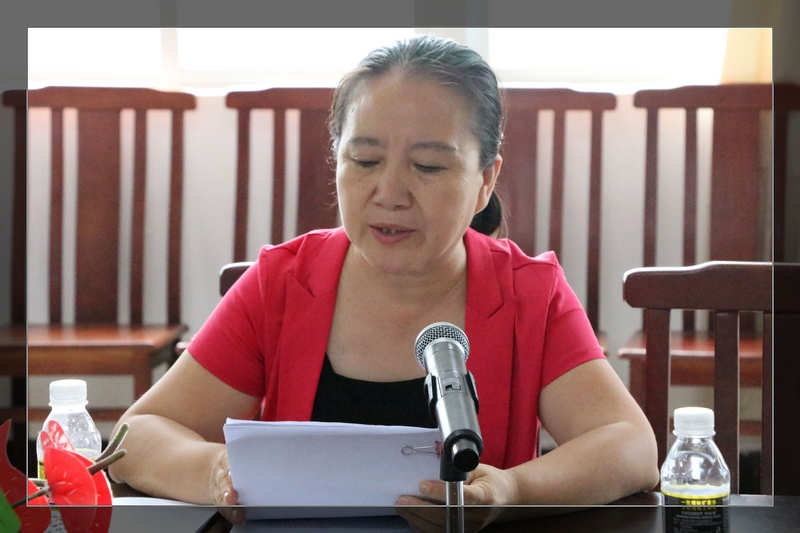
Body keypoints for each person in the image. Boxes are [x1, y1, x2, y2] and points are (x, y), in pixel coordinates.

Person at [108, 34, 658, 528]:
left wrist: (511, 491)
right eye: (365, 159)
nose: (390, 193)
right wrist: (216, 472)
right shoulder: (283, 283)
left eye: (429, 166)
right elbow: (139, 435)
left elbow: (631, 447)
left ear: (485, 180)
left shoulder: (527, 292)